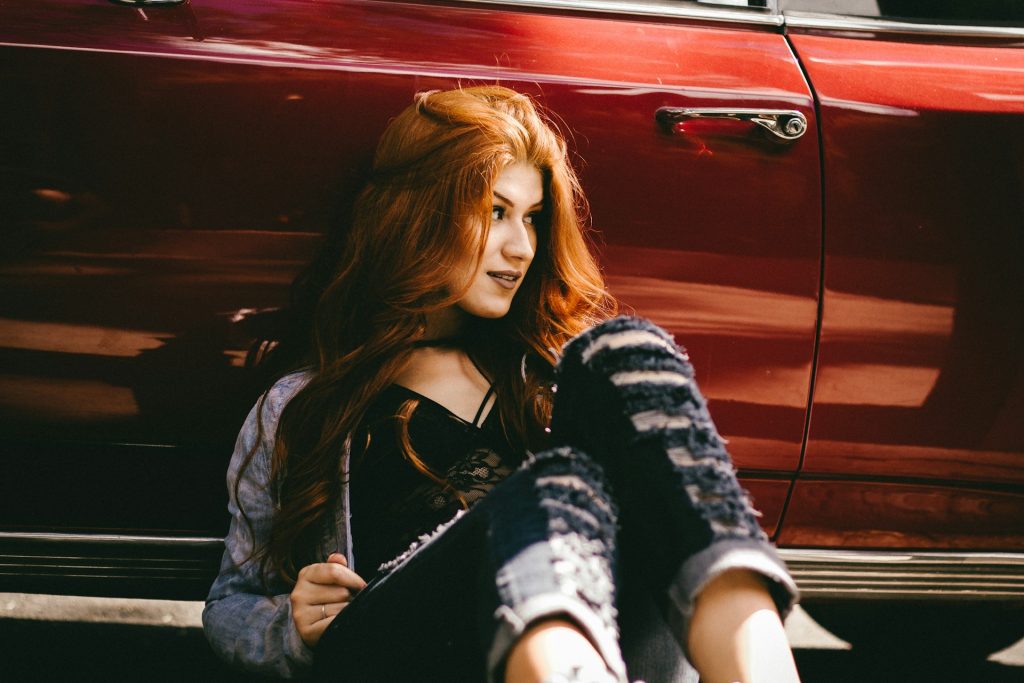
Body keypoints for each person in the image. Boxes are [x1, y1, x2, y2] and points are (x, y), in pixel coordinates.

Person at [203, 86, 801, 683]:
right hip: (412, 648)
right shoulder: (305, 406)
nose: (521, 248)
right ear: (416, 213)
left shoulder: (553, 376)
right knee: (543, 493)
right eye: (495, 211)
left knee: (627, 351)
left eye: (533, 218)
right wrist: (293, 624)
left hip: (616, 651)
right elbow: (231, 605)